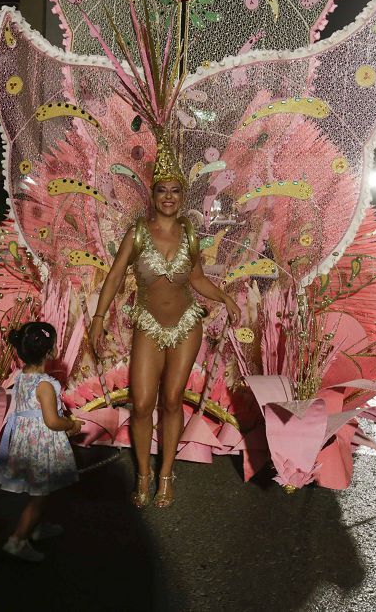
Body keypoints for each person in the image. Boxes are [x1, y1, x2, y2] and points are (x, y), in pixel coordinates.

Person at [88, 144, 241, 508]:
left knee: (172, 400)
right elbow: (112, 279)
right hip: (149, 325)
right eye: (162, 190)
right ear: (152, 194)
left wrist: (227, 299)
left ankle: (166, 474)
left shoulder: (190, 234)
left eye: (175, 190)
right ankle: (144, 473)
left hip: (187, 324)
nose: (168, 197)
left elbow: (198, 278)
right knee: (142, 404)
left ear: (182, 195)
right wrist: (98, 318)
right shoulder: (137, 233)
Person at [0, 321, 83, 563]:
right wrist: (72, 425)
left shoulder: (22, 376)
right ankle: (17, 540)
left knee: (41, 489)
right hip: (40, 444)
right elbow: (53, 421)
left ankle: (37, 526)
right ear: (50, 352)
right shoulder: (45, 385)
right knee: (40, 495)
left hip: (28, 439)